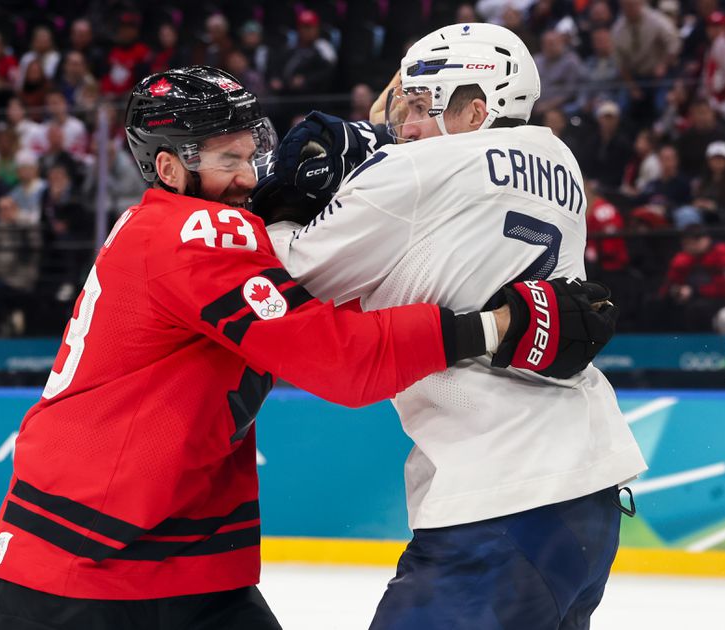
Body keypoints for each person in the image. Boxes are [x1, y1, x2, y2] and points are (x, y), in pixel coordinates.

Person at [0, 66, 616, 630]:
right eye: (226, 161)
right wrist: (499, 325)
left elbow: (328, 299)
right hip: (83, 567)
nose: (248, 177)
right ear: (170, 168)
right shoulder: (189, 230)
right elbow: (339, 357)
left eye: (248, 155)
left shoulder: (194, 229)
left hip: (176, 559)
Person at [257, 24, 646, 629]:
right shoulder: (559, 159)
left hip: (499, 496)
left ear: (476, 109)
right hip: (587, 491)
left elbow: (284, 275)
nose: (405, 123)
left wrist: (284, 200)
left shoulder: (412, 173)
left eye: (419, 105)